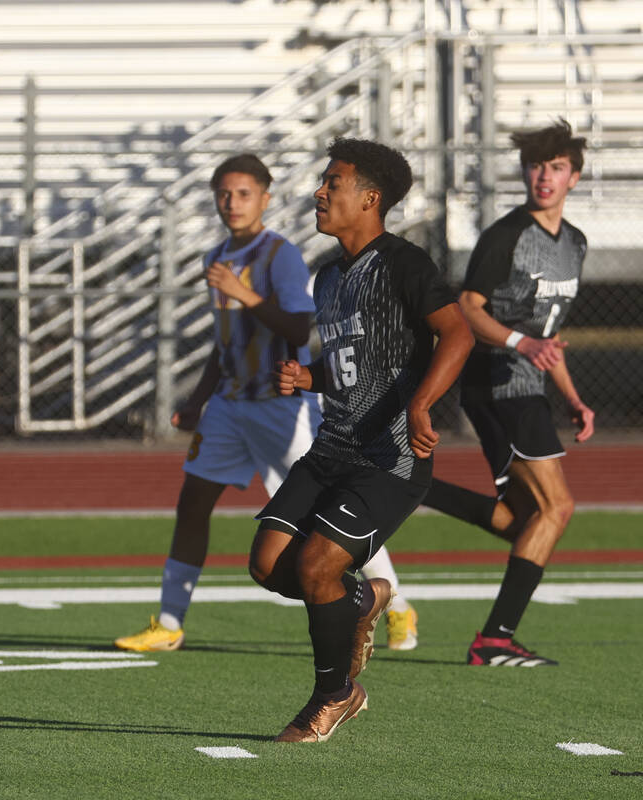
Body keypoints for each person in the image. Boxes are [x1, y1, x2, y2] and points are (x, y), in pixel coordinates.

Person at [114, 154, 419, 654]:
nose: (232, 203)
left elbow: (300, 329)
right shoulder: (218, 254)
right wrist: (196, 401)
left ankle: (397, 604)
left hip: (281, 406)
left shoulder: (279, 255)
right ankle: (169, 622)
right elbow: (224, 341)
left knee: (327, 509)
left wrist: (244, 294)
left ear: (265, 198)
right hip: (231, 407)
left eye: (243, 193)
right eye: (224, 194)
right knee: (192, 504)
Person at [249, 138, 473, 742]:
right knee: (267, 565)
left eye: (334, 182)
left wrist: (423, 403)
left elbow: (457, 335)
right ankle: (363, 602)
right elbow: (358, 364)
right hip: (331, 450)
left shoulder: (404, 263)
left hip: (390, 458)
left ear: (370, 198)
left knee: (320, 565)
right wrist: (311, 377)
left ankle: (335, 695)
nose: (320, 192)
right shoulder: (328, 279)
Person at [421, 120, 593, 667]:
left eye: (557, 166)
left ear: (575, 176)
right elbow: (468, 308)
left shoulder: (575, 243)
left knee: (525, 523)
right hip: (496, 381)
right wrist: (520, 343)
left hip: (528, 385)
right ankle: (494, 639)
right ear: (524, 172)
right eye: (536, 165)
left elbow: (549, 339)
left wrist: (574, 398)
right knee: (558, 507)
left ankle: (415, 487)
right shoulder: (505, 235)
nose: (545, 176)